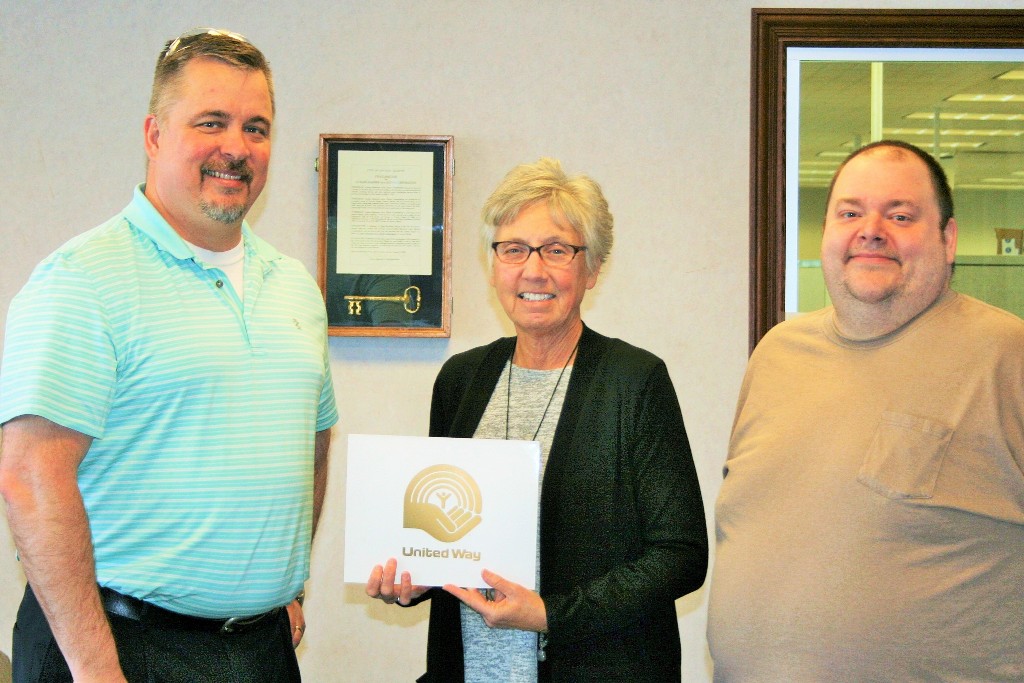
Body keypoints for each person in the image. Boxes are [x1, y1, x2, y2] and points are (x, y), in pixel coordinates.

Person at [0, 28, 338, 682]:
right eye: (211, 122)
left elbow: (313, 441)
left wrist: (285, 586)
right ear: (154, 135)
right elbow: (29, 476)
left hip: (259, 648)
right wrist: (98, 669)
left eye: (256, 128)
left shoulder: (295, 285)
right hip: (116, 644)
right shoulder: (81, 279)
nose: (235, 147)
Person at [366, 157, 708, 682]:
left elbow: (680, 555)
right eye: (514, 249)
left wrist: (551, 615)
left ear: (592, 268)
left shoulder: (635, 382)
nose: (533, 270)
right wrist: (416, 576)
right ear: (493, 265)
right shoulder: (461, 380)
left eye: (556, 250)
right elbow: (448, 535)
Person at [707, 140, 1024, 681]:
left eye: (900, 216)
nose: (870, 231)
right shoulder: (778, 353)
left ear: (948, 238)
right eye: (850, 213)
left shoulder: (1006, 355)